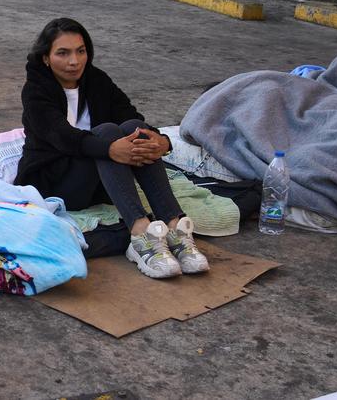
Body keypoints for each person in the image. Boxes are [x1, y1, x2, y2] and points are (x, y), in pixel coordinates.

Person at [15, 18, 210, 279]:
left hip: (99, 181)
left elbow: (129, 114)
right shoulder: (35, 91)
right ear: (46, 58)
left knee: (134, 127)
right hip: (54, 181)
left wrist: (160, 141)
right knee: (107, 133)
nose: (74, 61)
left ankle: (175, 228)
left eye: (80, 51)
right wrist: (110, 149)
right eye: (63, 53)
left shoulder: (95, 80)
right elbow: (63, 137)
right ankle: (141, 235)